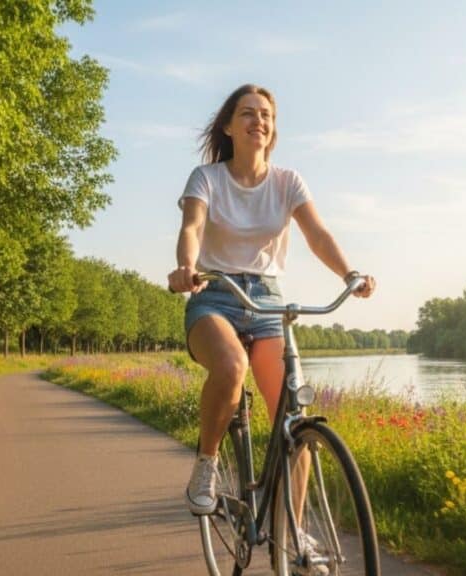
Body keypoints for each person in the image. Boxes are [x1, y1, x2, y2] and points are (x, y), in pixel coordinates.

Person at [167, 84, 376, 515]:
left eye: (266, 115)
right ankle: (206, 464)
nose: (258, 121)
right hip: (215, 294)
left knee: (292, 420)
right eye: (247, 113)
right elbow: (192, 227)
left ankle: (295, 542)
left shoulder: (287, 181)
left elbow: (317, 235)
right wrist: (187, 268)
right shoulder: (206, 178)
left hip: (268, 302)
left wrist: (349, 274)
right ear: (228, 126)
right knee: (231, 366)